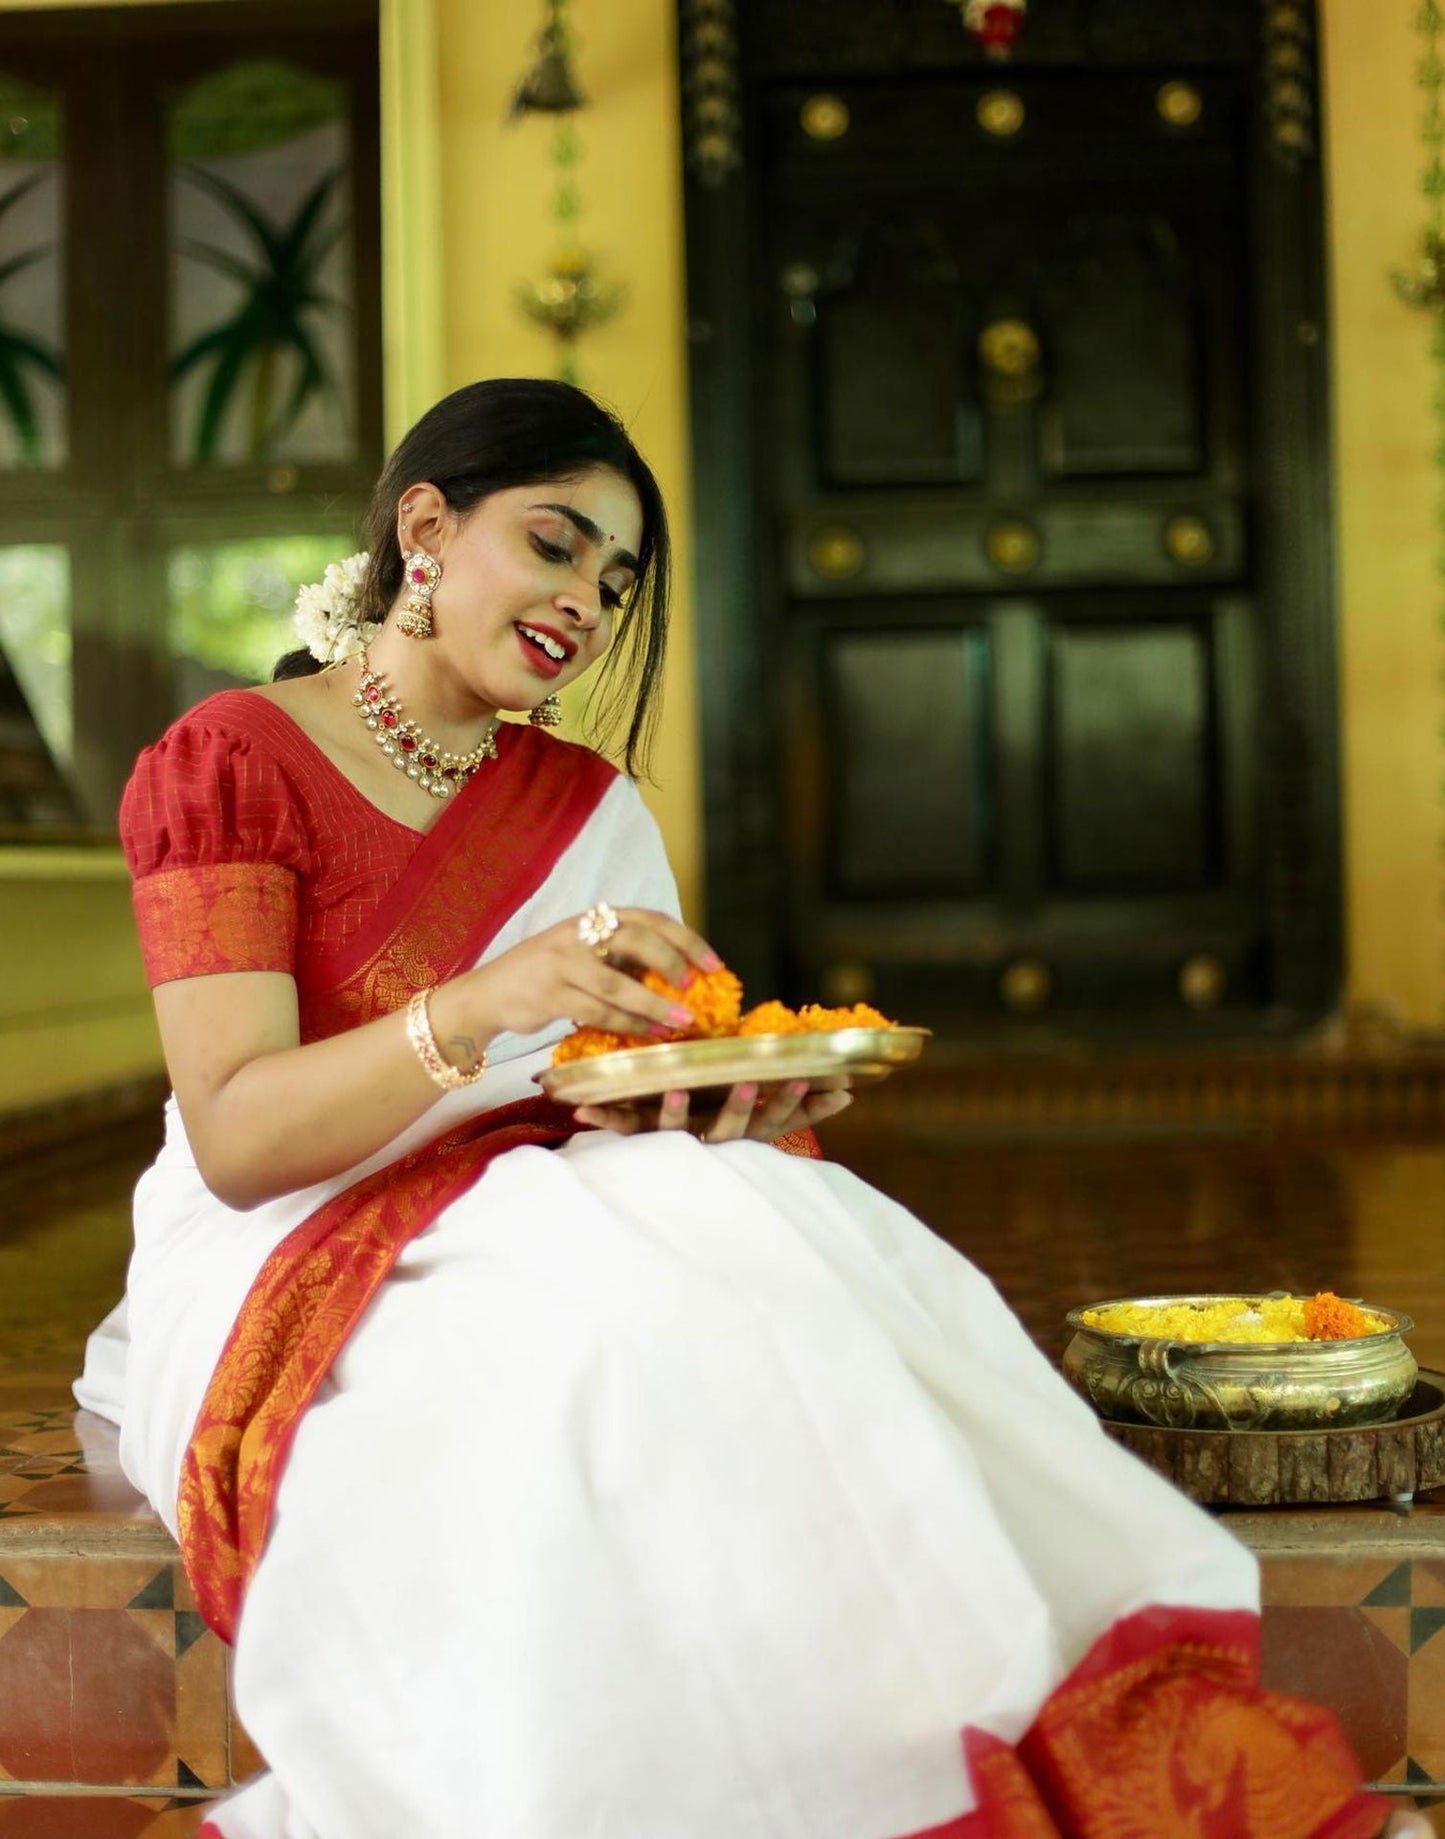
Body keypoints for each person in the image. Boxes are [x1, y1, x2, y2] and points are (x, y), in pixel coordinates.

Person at [77, 378, 1422, 1839]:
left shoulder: (588, 806)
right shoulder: (231, 763)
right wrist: (478, 1004)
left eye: (614, 578)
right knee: (589, 1344)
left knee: (798, 1234)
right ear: (424, 529)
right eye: (553, 545)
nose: (586, 601)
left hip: (544, 1193)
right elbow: (234, 1136)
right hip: (294, 1228)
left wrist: (725, 1101)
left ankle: (949, 1741)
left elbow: (616, 1087)